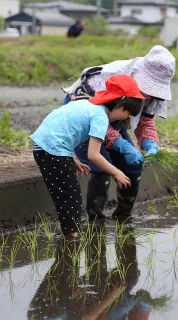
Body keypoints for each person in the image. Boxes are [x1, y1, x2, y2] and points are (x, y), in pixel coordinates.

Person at [62, 45, 175, 221]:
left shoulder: (150, 97)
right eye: (147, 90)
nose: (149, 96)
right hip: (85, 116)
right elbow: (96, 122)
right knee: (102, 165)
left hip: (115, 118)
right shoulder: (107, 81)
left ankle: (123, 217)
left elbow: (145, 120)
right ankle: (95, 221)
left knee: (133, 165)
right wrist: (120, 144)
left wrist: (149, 142)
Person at [31, 75, 145, 237]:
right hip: (51, 150)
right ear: (120, 106)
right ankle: (71, 236)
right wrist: (116, 172)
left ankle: (66, 229)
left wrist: (73, 158)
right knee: (70, 197)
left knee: (67, 194)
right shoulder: (100, 118)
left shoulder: (89, 104)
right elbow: (93, 155)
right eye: (128, 113)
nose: (127, 118)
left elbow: (66, 130)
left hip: (47, 146)